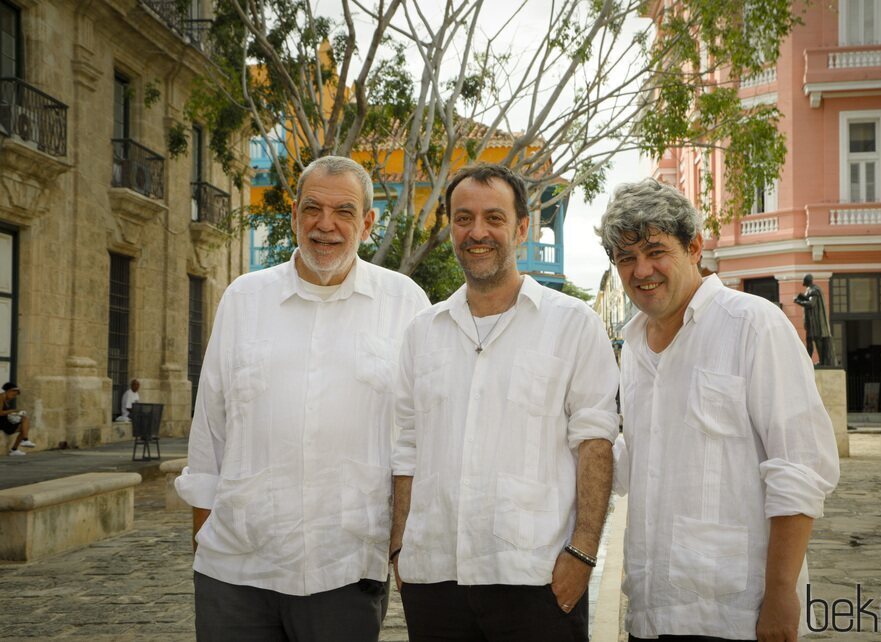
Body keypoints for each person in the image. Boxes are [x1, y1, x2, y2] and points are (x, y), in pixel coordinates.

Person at [175, 156, 429, 642]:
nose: (325, 225)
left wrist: (399, 547)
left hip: (346, 569)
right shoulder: (243, 300)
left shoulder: (407, 305)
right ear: (294, 214)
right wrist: (204, 549)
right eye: (313, 208)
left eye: (344, 211)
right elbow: (209, 433)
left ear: (368, 223)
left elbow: (418, 439)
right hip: (236, 569)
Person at [596, 178, 840, 642]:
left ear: (694, 247)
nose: (642, 269)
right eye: (626, 258)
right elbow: (636, 461)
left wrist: (782, 594)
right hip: (650, 610)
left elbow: (799, 467)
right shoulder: (632, 346)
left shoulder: (752, 324)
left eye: (655, 250)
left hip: (734, 613)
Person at [389, 163, 620, 642]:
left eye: (494, 218)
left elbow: (595, 443)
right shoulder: (421, 333)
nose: (477, 232)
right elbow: (407, 447)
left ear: (520, 228)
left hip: (536, 579)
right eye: (463, 218)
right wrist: (400, 550)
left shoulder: (572, 324)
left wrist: (582, 554)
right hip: (434, 579)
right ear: (450, 226)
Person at [793, 275, 836, 366]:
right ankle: (807, 361)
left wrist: (798, 301)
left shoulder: (814, 290)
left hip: (815, 324)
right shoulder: (810, 289)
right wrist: (802, 297)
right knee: (809, 342)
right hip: (811, 323)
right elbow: (809, 300)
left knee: (817, 341)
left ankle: (822, 361)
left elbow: (811, 304)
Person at [2, 382, 35, 455]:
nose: (13, 397)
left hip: (4, 421)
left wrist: (15, 414)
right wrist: (14, 411)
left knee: (25, 426)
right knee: (25, 421)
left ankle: (15, 449)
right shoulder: (1, 398)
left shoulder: (5, 400)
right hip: (2, 423)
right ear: (9, 391)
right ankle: (24, 440)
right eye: (13, 394)